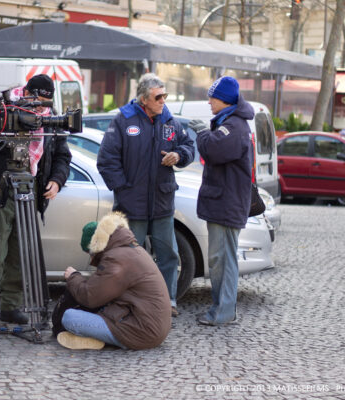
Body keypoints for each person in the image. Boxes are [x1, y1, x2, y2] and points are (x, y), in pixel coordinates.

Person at [0, 74, 72, 328]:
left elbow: (62, 156)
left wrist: (56, 180)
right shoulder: (2, 109)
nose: (41, 107)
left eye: (46, 101)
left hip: (28, 188)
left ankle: (11, 307)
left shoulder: (50, 118)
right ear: (27, 93)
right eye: (37, 100)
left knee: (19, 253)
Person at [96, 73, 195, 317]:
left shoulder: (169, 120)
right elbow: (106, 161)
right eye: (158, 96)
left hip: (162, 201)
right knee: (130, 259)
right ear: (143, 100)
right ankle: (132, 303)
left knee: (169, 255)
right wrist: (124, 189)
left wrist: (179, 156)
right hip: (132, 205)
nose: (163, 100)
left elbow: (189, 147)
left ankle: (167, 301)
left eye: (165, 95)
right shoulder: (123, 120)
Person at [190, 76, 254, 326]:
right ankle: (221, 309)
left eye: (212, 97)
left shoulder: (234, 126)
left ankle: (224, 312)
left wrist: (203, 133)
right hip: (224, 203)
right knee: (220, 259)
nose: (208, 101)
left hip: (226, 204)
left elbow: (214, 150)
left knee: (223, 260)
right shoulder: (230, 123)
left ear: (224, 100)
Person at [58, 212, 172, 350]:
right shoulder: (132, 249)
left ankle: (100, 339)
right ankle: (96, 338)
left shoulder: (116, 259)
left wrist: (73, 276)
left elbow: (90, 297)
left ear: (95, 246)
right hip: (153, 327)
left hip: (143, 332)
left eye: (89, 253)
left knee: (69, 318)